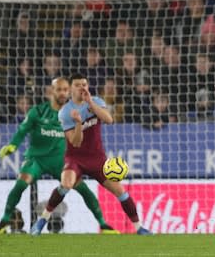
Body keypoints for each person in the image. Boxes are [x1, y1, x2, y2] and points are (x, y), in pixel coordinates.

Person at [30, 74, 151, 235]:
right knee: (66, 184)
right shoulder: (65, 113)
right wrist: (79, 123)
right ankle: (41, 221)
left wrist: (91, 104)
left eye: (84, 84)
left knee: (120, 191)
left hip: (98, 159)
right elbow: (75, 142)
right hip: (75, 159)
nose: (82, 88)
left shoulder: (97, 102)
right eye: (78, 85)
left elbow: (109, 120)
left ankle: (139, 228)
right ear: (71, 89)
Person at [0, 78, 117, 235]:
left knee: (84, 189)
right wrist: (12, 145)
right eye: (59, 89)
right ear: (51, 91)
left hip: (61, 162)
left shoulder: (71, 112)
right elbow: (22, 131)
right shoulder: (37, 112)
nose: (63, 93)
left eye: (66, 89)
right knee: (21, 184)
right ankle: (3, 222)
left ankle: (103, 224)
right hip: (37, 159)